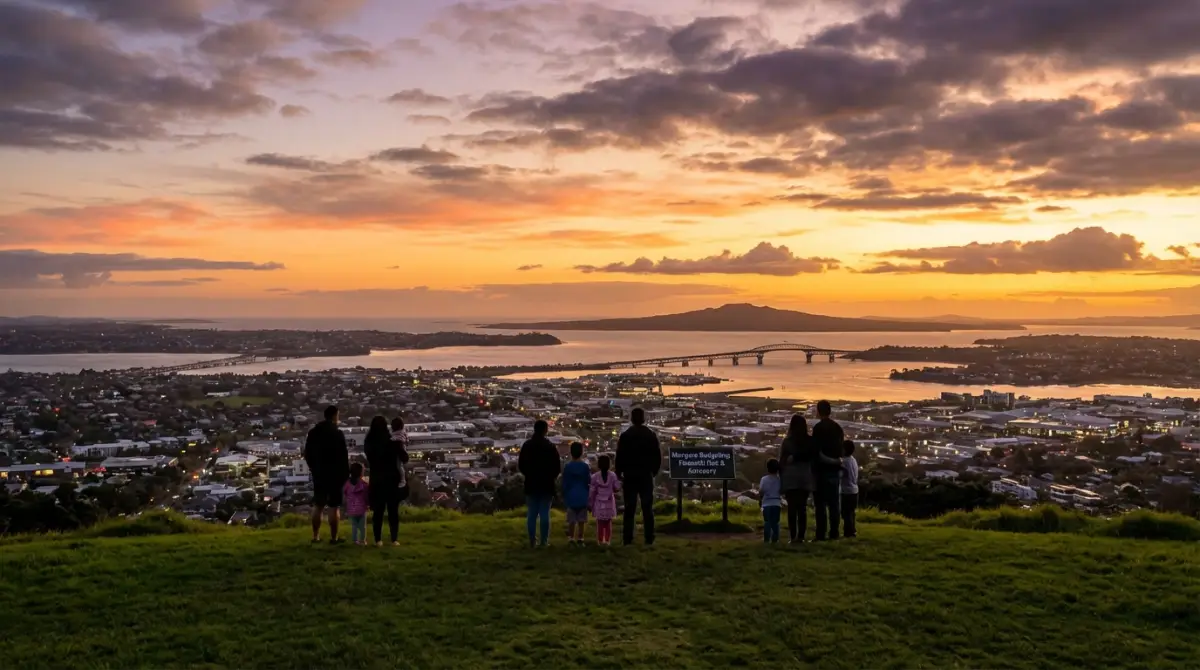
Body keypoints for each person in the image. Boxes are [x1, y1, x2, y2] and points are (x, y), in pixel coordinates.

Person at [615, 407, 661, 547]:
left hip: (630, 475)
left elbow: (620, 456)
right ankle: (649, 537)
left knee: (630, 508)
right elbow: (657, 456)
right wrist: (653, 472)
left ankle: (628, 538)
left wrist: (619, 472)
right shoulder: (650, 435)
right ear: (644, 419)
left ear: (631, 419)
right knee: (647, 507)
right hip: (646, 475)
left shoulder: (625, 435)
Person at [304, 405, 349, 544]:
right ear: (335, 416)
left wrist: (314, 468)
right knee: (333, 506)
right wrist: (345, 475)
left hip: (319, 473)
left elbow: (307, 454)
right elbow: (343, 457)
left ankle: (315, 536)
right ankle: (334, 538)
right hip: (335, 474)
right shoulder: (337, 433)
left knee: (318, 505)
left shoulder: (313, 433)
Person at [364, 416, 407, 546]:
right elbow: (404, 458)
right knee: (393, 511)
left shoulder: (369, 442)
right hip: (392, 480)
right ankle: (394, 539)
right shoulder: (392, 441)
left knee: (378, 511)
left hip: (376, 479)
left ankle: (378, 540)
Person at [518, 419, 561, 548]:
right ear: (545, 430)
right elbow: (557, 468)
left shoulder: (527, 445)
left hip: (531, 483)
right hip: (547, 484)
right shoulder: (550, 447)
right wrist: (551, 477)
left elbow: (521, 465)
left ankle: (532, 540)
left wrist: (529, 475)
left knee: (531, 513)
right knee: (544, 513)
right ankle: (543, 541)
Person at [811, 400, 845, 541]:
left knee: (820, 505)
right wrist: (836, 461)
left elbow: (815, 451)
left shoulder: (818, 428)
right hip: (835, 471)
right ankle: (834, 533)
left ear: (818, 411)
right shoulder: (837, 428)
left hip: (821, 471)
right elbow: (841, 449)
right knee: (834, 505)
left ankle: (820, 534)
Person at [778, 414, 815, 543]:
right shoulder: (810, 441)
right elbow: (813, 458)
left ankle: (793, 537)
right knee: (802, 508)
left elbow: (781, 461)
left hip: (790, 478)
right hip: (805, 477)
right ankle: (801, 537)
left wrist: (780, 479)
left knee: (792, 509)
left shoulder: (787, 442)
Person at [562, 442, 591, 546]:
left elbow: (565, 482)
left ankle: (571, 538)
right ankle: (581, 538)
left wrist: (564, 493)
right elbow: (588, 481)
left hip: (571, 495)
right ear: (582, 452)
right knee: (582, 519)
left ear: (571, 452)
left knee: (571, 520)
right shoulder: (585, 467)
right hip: (583, 495)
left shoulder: (568, 467)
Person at [589, 454, 621, 546]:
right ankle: (607, 540)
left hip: (599, 503)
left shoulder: (595, 476)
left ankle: (599, 540)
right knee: (608, 523)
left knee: (600, 523)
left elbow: (592, 492)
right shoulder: (613, 475)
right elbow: (616, 488)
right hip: (609, 502)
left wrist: (590, 503)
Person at [343, 462, 370, 546]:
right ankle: (363, 541)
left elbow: (345, 493)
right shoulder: (364, 485)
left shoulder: (347, 484)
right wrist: (368, 504)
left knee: (354, 525)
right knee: (362, 527)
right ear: (361, 472)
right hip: (362, 509)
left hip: (351, 509)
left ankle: (355, 540)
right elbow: (367, 496)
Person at [760, 458, 783, 544]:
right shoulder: (779, 479)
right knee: (775, 522)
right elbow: (781, 490)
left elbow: (761, 491)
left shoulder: (764, 479)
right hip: (777, 503)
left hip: (766, 504)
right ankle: (775, 539)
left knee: (767, 522)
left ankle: (766, 539)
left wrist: (760, 498)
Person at [841, 440, 860, 539]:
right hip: (855, 490)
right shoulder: (853, 460)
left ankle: (848, 532)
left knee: (846, 513)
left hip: (846, 491)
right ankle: (852, 530)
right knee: (851, 512)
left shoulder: (843, 462)